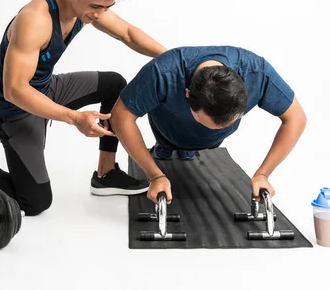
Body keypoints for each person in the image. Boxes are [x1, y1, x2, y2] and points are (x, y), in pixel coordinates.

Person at [0, 0, 167, 215]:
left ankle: (106, 173)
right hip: (13, 110)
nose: (99, 15)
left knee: (115, 84)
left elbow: (128, 34)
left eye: (106, 8)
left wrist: (176, 62)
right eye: (95, 6)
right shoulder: (34, 20)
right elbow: (14, 90)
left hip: (47, 88)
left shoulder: (84, 7)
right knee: (35, 202)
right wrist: (74, 118)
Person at [110, 46, 307, 203]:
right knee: (165, 148)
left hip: (213, 143)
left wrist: (263, 174)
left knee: (206, 142)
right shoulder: (163, 72)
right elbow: (121, 116)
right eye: (209, 123)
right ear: (187, 95)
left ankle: (192, 147)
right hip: (168, 130)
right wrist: (154, 175)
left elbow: (296, 118)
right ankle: (167, 147)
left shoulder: (256, 72)